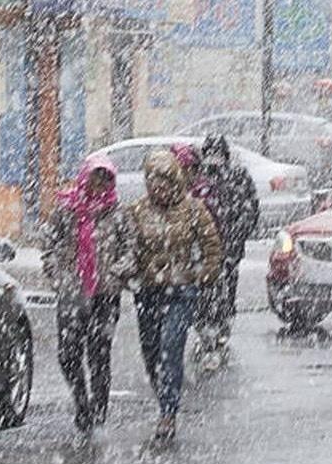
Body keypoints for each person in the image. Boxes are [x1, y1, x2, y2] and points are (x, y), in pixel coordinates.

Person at [130, 149, 224, 440]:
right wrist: (131, 271)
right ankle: (163, 397)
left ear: (174, 181)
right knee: (151, 352)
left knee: (171, 347)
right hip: (148, 291)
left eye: (163, 181)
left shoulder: (193, 210)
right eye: (152, 181)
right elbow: (126, 247)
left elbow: (212, 247)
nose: (157, 188)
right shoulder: (137, 211)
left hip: (181, 291)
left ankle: (168, 412)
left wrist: (202, 274)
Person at [41, 155, 135, 433]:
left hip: (105, 294)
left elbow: (131, 250)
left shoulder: (118, 213)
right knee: (68, 354)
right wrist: (58, 275)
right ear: (85, 177)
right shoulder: (66, 210)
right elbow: (48, 244)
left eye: (105, 179)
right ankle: (81, 400)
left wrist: (116, 272)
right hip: (72, 293)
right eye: (95, 177)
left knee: (98, 352)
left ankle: (98, 407)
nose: (99, 184)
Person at [190, 136, 261, 362]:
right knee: (203, 292)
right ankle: (204, 328)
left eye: (217, 154)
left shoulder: (238, 178)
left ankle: (222, 328)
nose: (214, 160)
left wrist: (235, 237)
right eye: (210, 154)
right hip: (203, 251)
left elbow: (249, 211)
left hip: (229, 249)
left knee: (226, 290)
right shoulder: (198, 180)